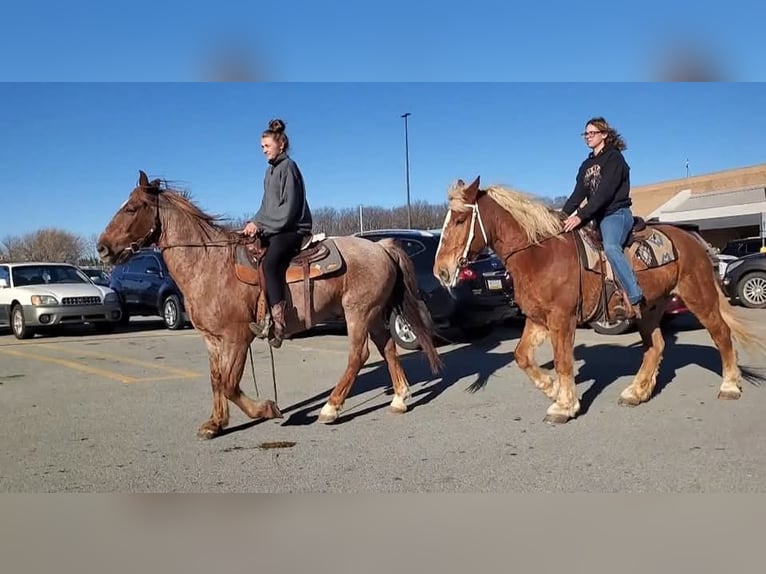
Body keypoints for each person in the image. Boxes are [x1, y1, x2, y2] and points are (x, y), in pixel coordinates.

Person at [561, 116, 646, 319]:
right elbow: (577, 194)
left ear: (604, 135)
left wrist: (580, 215)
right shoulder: (586, 165)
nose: (588, 137)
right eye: (586, 134)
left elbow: (605, 192)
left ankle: (635, 296)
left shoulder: (614, 158)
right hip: (595, 217)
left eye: (592, 133)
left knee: (610, 247)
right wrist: (561, 216)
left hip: (616, 213)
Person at [243, 118, 313, 347]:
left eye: (266, 146)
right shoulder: (269, 172)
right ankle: (261, 315)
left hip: (292, 229)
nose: (263, 151)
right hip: (275, 227)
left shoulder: (289, 168)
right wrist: (253, 223)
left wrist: (262, 226)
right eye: (262, 147)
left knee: (270, 263)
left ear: (280, 144)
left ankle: (279, 323)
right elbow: (266, 208)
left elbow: (289, 210)